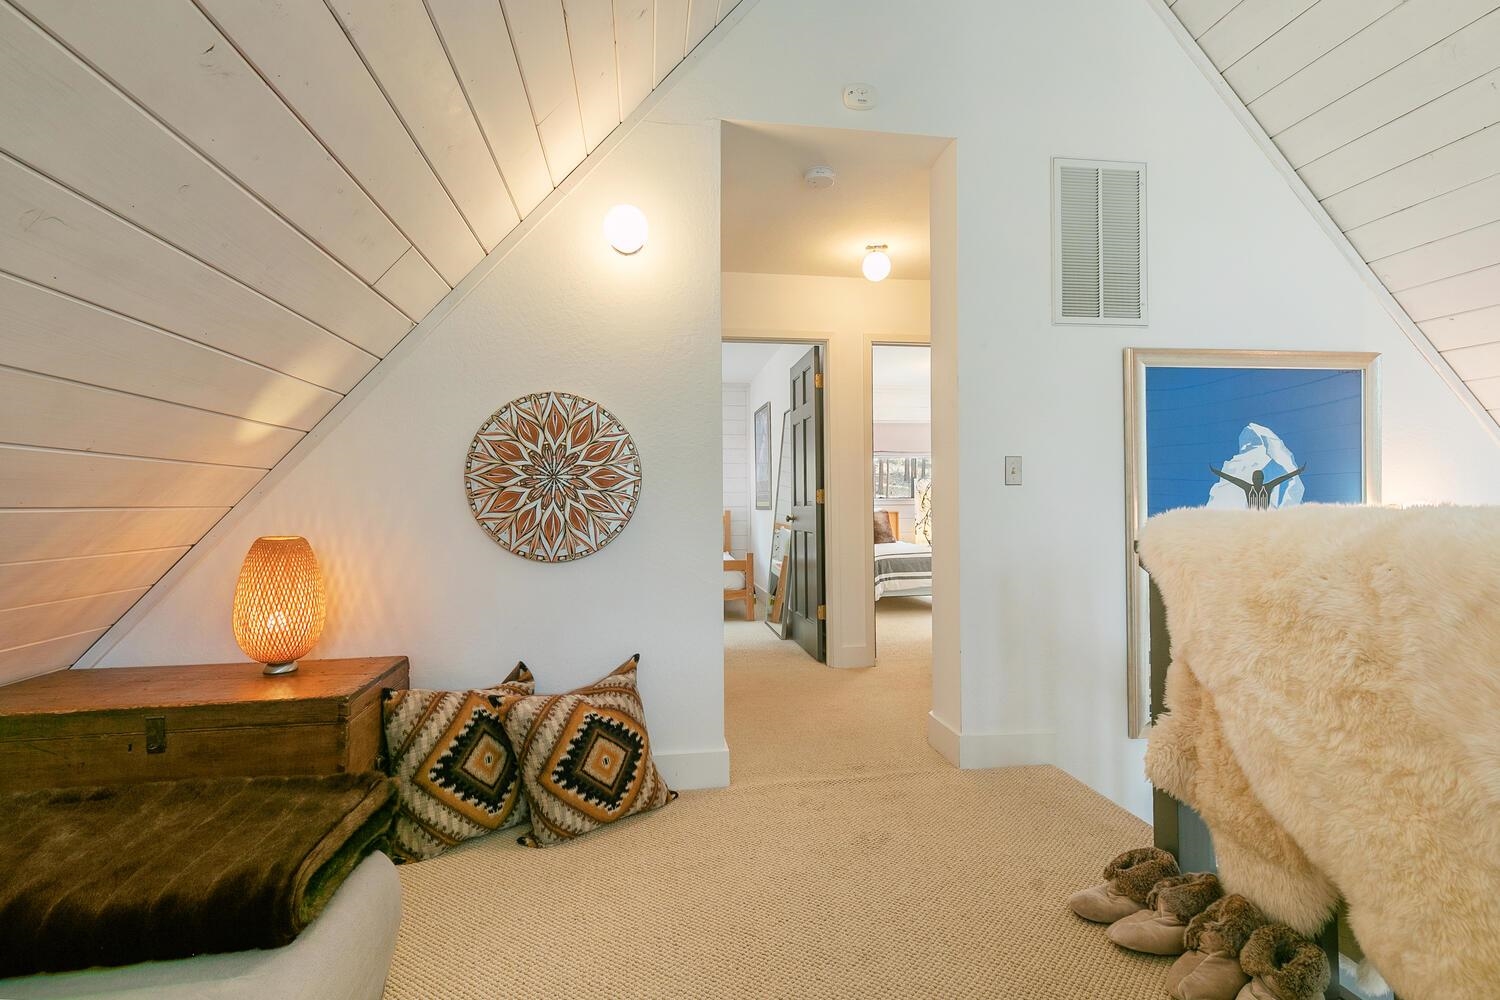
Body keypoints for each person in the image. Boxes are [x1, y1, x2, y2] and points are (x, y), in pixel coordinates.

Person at [1209, 465, 1305, 511]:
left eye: (1259, 478)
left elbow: (1282, 478)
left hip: (1264, 518)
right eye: (1256, 478)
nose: (1257, 480)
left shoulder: (1267, 487)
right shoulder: (1248, 488)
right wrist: (1216, 472)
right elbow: (1233, 479)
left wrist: (1298, 472)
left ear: (1263, 479)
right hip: (1251, 519)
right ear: (1252, 479)